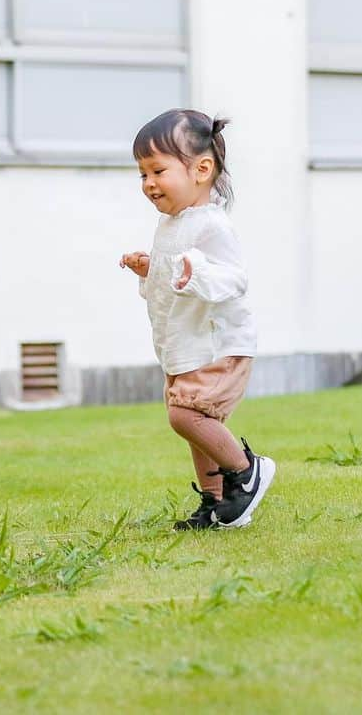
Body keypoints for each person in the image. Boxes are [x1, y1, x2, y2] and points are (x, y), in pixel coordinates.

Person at [120, 108, 274, 530]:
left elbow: (233, 280)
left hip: (218, 344)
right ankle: (217, 501)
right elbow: (173, 277)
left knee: (185, 416)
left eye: (157, 171)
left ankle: (247, 471)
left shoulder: (212, 224)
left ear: (201, 169)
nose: (149, 184)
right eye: (142, 174)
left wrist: (196, 274)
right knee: (194, 421)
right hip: (184, 343)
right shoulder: (171, 224)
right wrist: (149, 269)